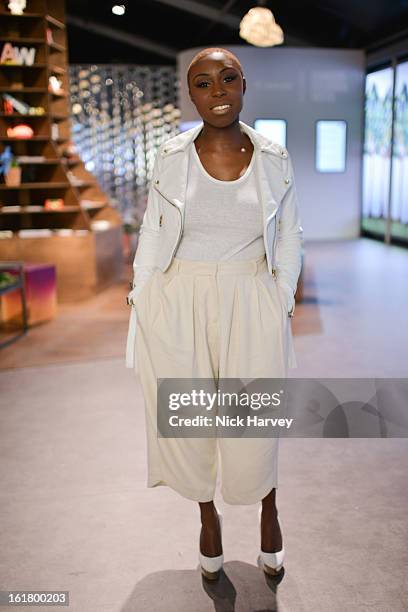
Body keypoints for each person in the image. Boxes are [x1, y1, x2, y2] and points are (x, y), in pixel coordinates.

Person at [125, 47, 303, 580]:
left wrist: (281, 297)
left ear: (244, 84)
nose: (217, 91)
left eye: (227, 79)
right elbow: (154, 232)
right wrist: (141, 297)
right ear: (191, 93)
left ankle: (268, 507)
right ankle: (208, 516)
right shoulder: (171, 156)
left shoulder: (273, 156)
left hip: (252, 294)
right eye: (203, 83)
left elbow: (290, 234)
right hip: (182, 296)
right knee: (191, 417)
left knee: (254, 418)